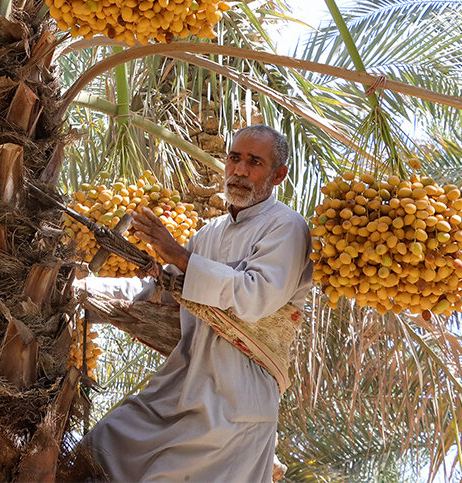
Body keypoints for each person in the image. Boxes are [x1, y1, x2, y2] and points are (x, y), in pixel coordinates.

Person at [77, 124, 312, 482]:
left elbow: (256, 296)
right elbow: (157, 294)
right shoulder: (210, 233)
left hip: (236, 400)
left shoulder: (287, 227)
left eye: (254, 162)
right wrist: (85, 289)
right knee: (98, 450)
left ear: (278, 175)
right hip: (178, 386)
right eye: (234, 158)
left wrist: (179, 255)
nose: (240, 171)